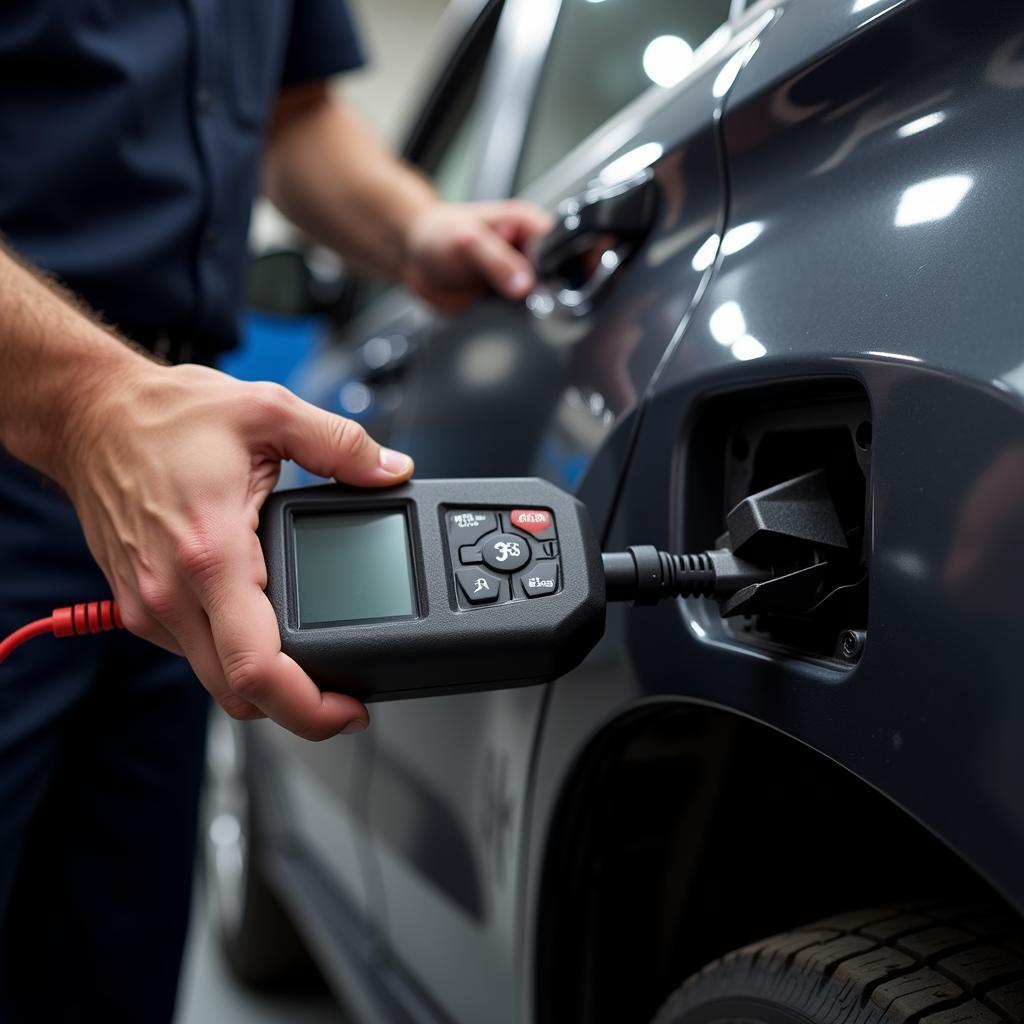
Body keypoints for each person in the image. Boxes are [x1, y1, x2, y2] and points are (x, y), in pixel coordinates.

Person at [0, 3, 551, 1020]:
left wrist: (414, 226)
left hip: (185, 493)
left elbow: (295, 118)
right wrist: (87, 404)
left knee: (106, 969)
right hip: (38, 420)